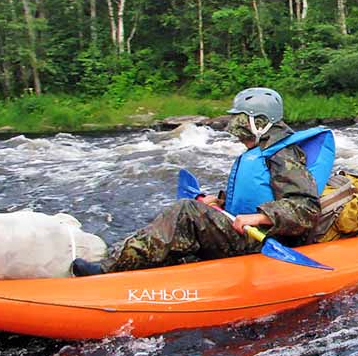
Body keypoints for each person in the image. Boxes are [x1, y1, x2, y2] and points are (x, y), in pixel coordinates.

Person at [72, 87, 333, 276]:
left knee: (186, 211)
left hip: (265, 239)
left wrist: (259, 218)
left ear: (261, 123)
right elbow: (262, 191)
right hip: (248, 231)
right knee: (187, 216)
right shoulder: (265, 148)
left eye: (241, 123)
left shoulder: (284, 154)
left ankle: (108, 270)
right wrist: (219, 202)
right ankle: (134, 261)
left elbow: (306, 208)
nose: (237, 132)